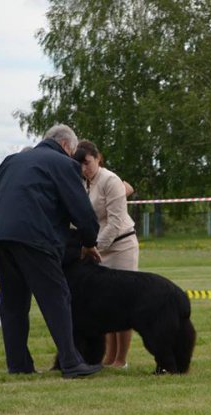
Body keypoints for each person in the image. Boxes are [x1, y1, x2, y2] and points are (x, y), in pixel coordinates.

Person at [0, 124, 103, 378]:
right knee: (56, 297)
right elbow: (80, 210)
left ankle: (18, 365)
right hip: (37, 239)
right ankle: (71, 362)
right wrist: (89, 241)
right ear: (67, 146)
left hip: (3, 238)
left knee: (13, 305)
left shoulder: (11, 162)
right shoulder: (62, 163)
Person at [73, 140, 139, 369]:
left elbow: (115, 221)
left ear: (98, 158)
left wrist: (93, 246)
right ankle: (109, 357)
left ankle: (121, 359)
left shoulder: (110, 180)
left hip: (121, 246)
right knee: (106, 304)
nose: (84, 168)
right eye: (79, 164)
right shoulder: (83, 182)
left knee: (124, 302)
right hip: (99, 249)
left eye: (87, 163)